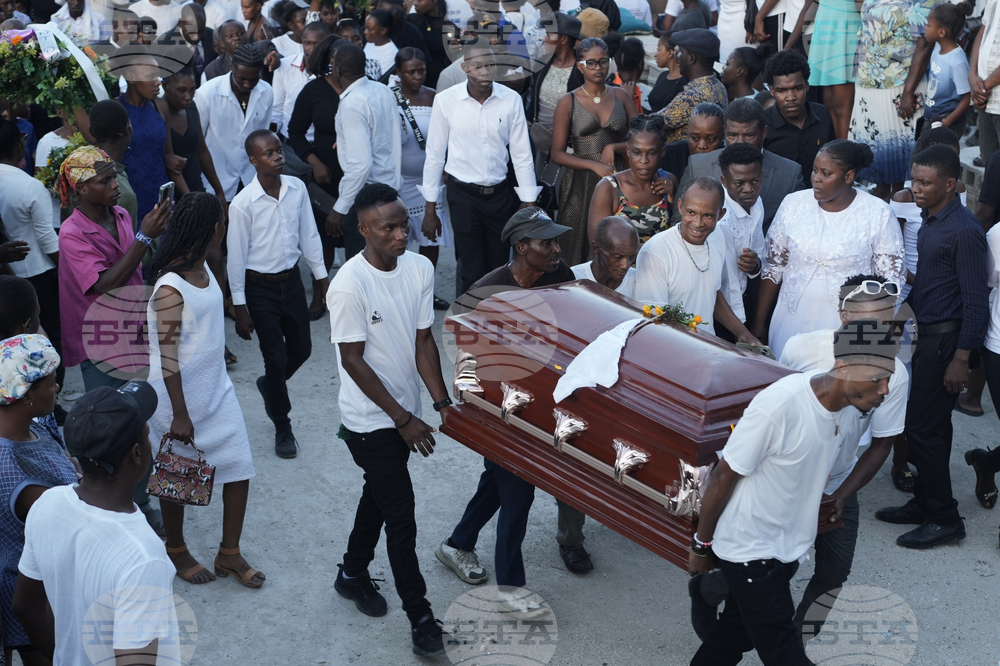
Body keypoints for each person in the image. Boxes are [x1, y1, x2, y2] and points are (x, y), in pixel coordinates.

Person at [690, 276, 910, 642]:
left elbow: (882, 444)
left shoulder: (894, 373)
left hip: (838, 484)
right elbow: (770, 413)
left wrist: (842, 494)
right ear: (844, 317)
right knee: (765, 570)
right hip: (784, 485)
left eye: (887, 322)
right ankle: (724, 605)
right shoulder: (800, 348)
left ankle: (798, 636)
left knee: (834, 574)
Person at [325, 183, 450, 658]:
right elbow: (353, 361)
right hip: (368, 420)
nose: (403, 233)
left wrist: (441, 404)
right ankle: (420, 618)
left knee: (377, 497)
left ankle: (352, 573)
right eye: (390, 227)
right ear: (364, 231)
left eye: (404, 223)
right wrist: (402, 419)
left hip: (405, 413)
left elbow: (423, 342)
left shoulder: (419, 267)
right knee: (400, 516)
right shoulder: (349, 284)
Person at [439, 206, 574, 612]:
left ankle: (456, 544)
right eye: (546, 242)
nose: (556, 248)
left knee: (498, 483)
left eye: (555, 240)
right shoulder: (484, 292)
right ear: (521, 246)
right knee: (518, 492)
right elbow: (459, 346)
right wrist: (476, 405)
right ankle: (512, 590)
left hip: (538, 402)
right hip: (498, 406)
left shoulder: (559, 276)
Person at [12, 381, 182, 665]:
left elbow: (24, 606)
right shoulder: (143, 556)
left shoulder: (47, 504)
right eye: (147, 434)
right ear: (137, 453)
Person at [145, 192, 263, 587]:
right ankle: (176, 548)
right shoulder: (169, 288)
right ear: (213, 228)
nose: (225, 229)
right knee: (177, 478)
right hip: (177, 398)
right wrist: (180, 413)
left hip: (216, 390)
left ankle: (229, 552)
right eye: (223, 223)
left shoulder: (207, 268)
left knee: (239, 466)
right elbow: (167, 356)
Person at [876, 145, 989, 549]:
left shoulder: (964, 230)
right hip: (925, 334)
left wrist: (962, 358)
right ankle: (924, 502)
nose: (916, 189)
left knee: (923, 429)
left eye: (925, 183)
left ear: (950, 184)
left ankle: (945, 518)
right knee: (931, 427)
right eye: (914, 180)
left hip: (947, 342)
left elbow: (976, 301)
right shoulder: (930, 221)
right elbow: (929, 282)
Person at [753, 140, 904, 359]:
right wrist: (759, 323)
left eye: (826, 173)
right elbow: (773, 268)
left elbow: (890, 281)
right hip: (791, 317)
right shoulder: (793, 204)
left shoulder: (878, 213)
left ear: (849, 176)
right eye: (815, 170)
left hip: (843, 323)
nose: (816, 178)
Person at [227, 130, 326, 460]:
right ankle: (282, 425)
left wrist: (321, 279)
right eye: (269, 153)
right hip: (260, 289)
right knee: (275, 357)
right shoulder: (243, 205)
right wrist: (240, 307)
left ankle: (271, 384)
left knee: (302, 349)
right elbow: (237, 257)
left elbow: (309, 235)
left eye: (280, 150)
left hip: (292, 282)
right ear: (254, 161)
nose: (278, 157)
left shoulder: (296, 189)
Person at [420, 40, 539, 293]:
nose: (485, 72)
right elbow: (434, 156)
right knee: (471, 269)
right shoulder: (446, 101)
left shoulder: (511, 100)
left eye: (490, 65)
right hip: (463, 197)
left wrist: (528, 202)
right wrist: (430, 208)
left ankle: (493, 326)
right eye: (477, 66)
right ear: (464, 67)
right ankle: (467, 325)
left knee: (499, 268)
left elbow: (521, 155)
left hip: (500, 196)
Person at [0, 334, 75, 666]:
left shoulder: (31, 426)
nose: (56, 389)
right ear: (27, 395)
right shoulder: (11, 469)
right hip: (32, 591)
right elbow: (73, 515)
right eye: (51, 384)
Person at [634, 176, 760, 345]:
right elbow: (654, 320)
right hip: (671, 348)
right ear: (680, 207)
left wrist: (744, 335)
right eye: (691, 212)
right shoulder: (656, 252)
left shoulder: (718, 237)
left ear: (721, 215)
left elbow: (711, 292)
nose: (698, 223)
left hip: (706, 348)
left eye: (708, 215)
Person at [551, 36, 634, 266]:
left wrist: (614, 146)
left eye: (603, 61)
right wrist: (593, 164)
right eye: (591, 63)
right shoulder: (569, 101)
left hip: (616, 177)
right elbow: (556, 153)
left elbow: (642, 140)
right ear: (580, 65)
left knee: (615, 241)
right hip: (579, 183)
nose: (598, 68)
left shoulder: (620, 96)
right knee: (574, 246)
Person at [675, 97, 805, 232]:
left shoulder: (790, 174)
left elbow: (797, 229)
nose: (740, 142)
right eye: (732, 135)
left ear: (764, 132)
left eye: (749, 135)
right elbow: (678, 220)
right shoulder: (697, 166)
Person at [849, 0, 936, 201]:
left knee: (900, 144)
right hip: (868, 80)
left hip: (900, 82)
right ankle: (882, 187)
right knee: (876, 142)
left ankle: (900, 194)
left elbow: (924, 45)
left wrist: (908, 92)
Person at [0, 122, 63, 390]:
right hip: (38, 275)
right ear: (19, 145)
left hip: (7, 276)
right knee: (46, 339)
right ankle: (51, 397)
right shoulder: (29, 185)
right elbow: (48, 239)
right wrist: (67, 271)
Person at [327, 44, 402, 260]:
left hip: (368, 199)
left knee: (365, 269)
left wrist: (339, 209)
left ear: (337, 70)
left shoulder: (353, 103)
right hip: (391, 193)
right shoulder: (382, 90)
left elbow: (361, 165)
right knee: (388, 265)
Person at [288, 33, 345, 318]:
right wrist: (314, 161)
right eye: (334, 57)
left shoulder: (364, 88)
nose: (339, 63)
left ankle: (355, 300)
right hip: (325, 179)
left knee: (360, 240)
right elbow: (295, 131)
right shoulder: (313, 90)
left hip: (358, 178)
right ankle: (321, 295)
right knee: (321, 241)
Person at [393, 48, 453, 310]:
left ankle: (425, 293)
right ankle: (402, 293)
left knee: (431, 239)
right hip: (398, 182)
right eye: (411, 72)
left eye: (422, 71)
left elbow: (448, 135)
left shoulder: (435, 97)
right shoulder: (389, 98)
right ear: (398, 73)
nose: (417, 76)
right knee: (399, 239)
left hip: (430, 180)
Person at [194, 43, 274, 203]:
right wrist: (217, 191)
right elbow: (198, 143)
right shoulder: (207, 94)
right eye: (241, 78)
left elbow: (262, 140)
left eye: (253, 79)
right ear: (232, 66)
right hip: (215, 182)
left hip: (251, 181)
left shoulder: (267, 92)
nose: (247, 84)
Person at [588, 115, 676, 249]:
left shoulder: (669, 182)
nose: (644, 160)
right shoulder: (609, 188)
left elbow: (680, 237)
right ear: (628, 151)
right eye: (637, 152)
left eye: (652, 153)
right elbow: (598, 246)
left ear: (662, 152)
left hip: (662, 268)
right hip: (621, 269)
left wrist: (672, 200)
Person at [119, 54, 183, 225]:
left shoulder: (160, 106)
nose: (158, 82)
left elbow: (168, 155)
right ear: (131, 77)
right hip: (130, 198)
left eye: (158, 76)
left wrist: (189, 195)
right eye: (150, 77)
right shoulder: (117, 109)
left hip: (160, 196)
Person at [786, 0, 861, 140]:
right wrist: (786, 47)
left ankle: (844, 155)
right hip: (825, 31)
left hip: (845, 29)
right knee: (829, 103)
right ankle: (834, 152)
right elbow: (809, 7)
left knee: (842, 104)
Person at [762, 49, 837, 183]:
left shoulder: (823, 115)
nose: (790, 98)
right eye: (782, 90)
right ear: (772, 90)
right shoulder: (762, 124)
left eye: (797, 88)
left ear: (807, 86)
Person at [157, 69, 229, 206]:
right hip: (172, 195)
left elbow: (202, 151)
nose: (188, 96)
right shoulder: (158, 112)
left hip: (195, 187)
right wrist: (189, 198)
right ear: (165, 86)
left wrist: (219, 191)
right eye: (181, 90)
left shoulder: (191, 108)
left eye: (192, 90)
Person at [713, 142, 764, 330]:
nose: (749, 189)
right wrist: (741, 331)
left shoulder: (757, 204)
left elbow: (759, 254)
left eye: (755, 181)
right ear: (724, 181)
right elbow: (728, 286)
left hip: (746, 299)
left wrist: (754, 266)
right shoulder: (721, 219)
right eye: (739, 183)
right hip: (721, 312)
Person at [525, 11, 583, 162]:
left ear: (563, 39)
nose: (544, 39)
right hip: (539, 141)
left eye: (549, 35)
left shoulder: (581, 71)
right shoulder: (543, 62)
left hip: (568, 148)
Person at [655, 28, 727, 142]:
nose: (676, 56)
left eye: (680, 52)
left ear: (691, 58)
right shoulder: (718, 85)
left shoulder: (692, 96)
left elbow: (650, 126)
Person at [88, 101, 139, 251]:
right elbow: (131, 256)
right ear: (127, 130)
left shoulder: (75, 174)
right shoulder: (123, 192)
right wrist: (156, 232)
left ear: (91, 132)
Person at [921, 2, 972, 140]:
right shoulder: (937, 49)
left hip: (947, 122)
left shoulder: (957, 62)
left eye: (929, 25)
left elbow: (967, 98)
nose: (925, 27)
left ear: (941, 32)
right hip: (932, 118)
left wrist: (948, 121)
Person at [272, 20, 327, 139]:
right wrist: (272, 136)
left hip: (324, 144)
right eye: (307, 43)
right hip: (289, 142)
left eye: (317, 44)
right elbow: (277, 109)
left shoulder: (334, 70)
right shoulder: (284, 66)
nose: (311, 49)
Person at [572, 215, 639, 298]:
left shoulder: (638, 283)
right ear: (596, 248)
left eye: (632, 257)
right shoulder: (573, 278)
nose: (626, 265)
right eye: (617, 257)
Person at [660, 102, 723, 183]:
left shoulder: (730, 163)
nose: (702, 145)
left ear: (723, 136)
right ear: (687, 133)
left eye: (710, 139)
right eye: (695, 138)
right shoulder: (667, 155)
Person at [154, 2, 218, 81]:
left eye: (200, 31)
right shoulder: (163, 46)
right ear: (181, 23)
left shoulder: (212, 36)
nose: (196, 37)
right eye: (191, 32)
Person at [970, 0, 1000, 164]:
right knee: (991, 164)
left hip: (986, 93)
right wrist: (972, 74)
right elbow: (983, 31)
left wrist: (982, 87)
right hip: (984, 98)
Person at [408, 0, 458, 88]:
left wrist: (452, 51)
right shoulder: (411, 21)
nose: (415, 3)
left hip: (436, 82)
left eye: (419, 0)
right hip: (410, 80)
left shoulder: (448, 27)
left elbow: (452, 61)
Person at [648, 31, 688, 114]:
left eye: (659, 49)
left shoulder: (685, 83)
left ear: (670, 53)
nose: (656, 54)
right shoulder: (663, 75)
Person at [363, 9, 399, 80]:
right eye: (365, 28)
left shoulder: (391, 54)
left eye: (369, 29)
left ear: (383, 31)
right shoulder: (370, 43)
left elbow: (379, 80)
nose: (365, 32)